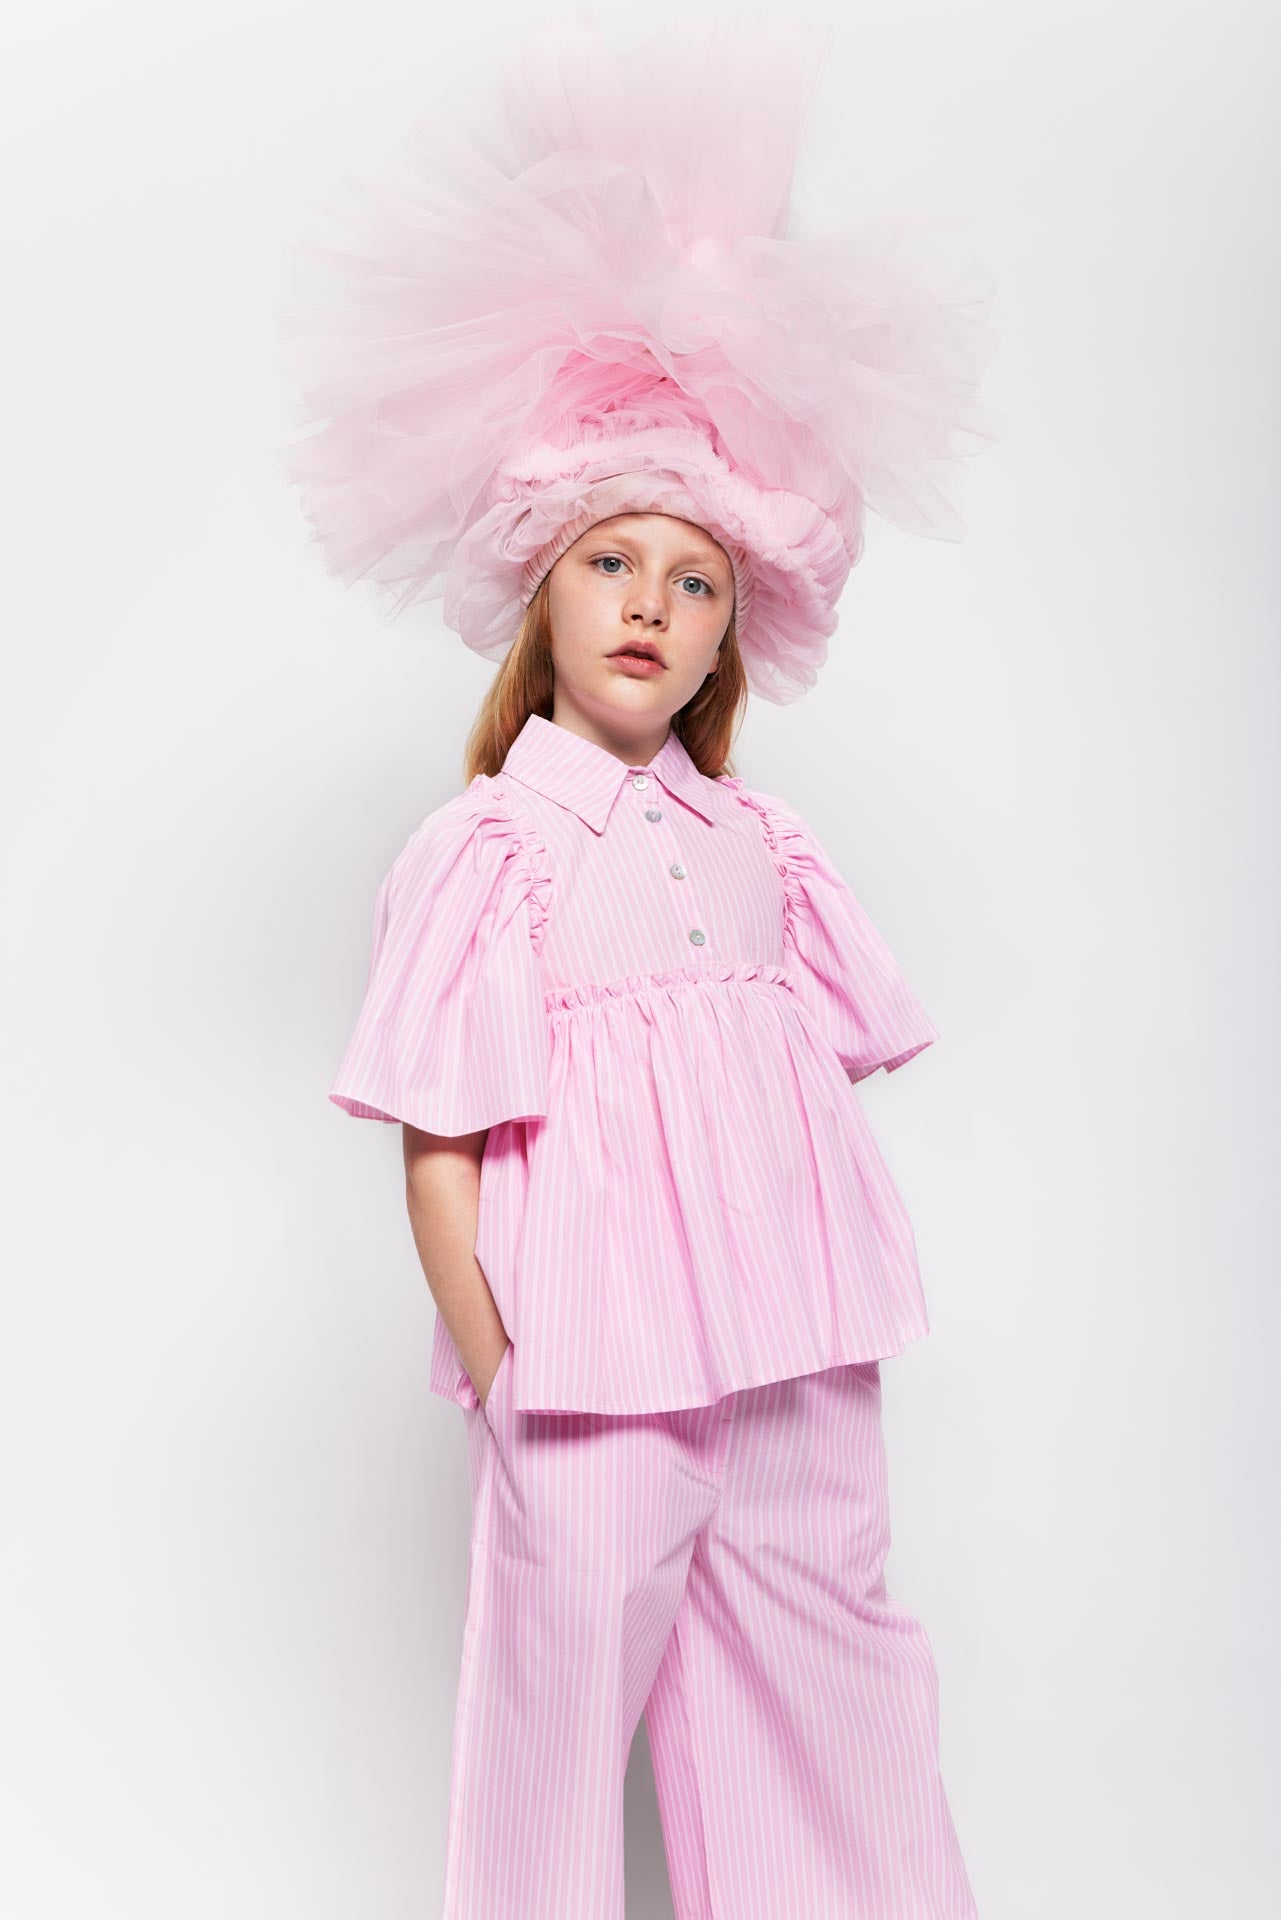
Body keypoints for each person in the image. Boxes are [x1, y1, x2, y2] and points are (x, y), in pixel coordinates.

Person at [280, 17, 1003, 1917]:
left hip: (790, 1353)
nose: (651, 609)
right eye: (615, 565)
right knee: (553, 1709)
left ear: (724, 639)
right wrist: (505, 1365)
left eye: (692, 585)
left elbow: (791, 1096)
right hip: (590, 1368)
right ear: (545, 590)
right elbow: (438, 1143)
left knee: (832, 1678)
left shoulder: (761, 845)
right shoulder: (493, 850)